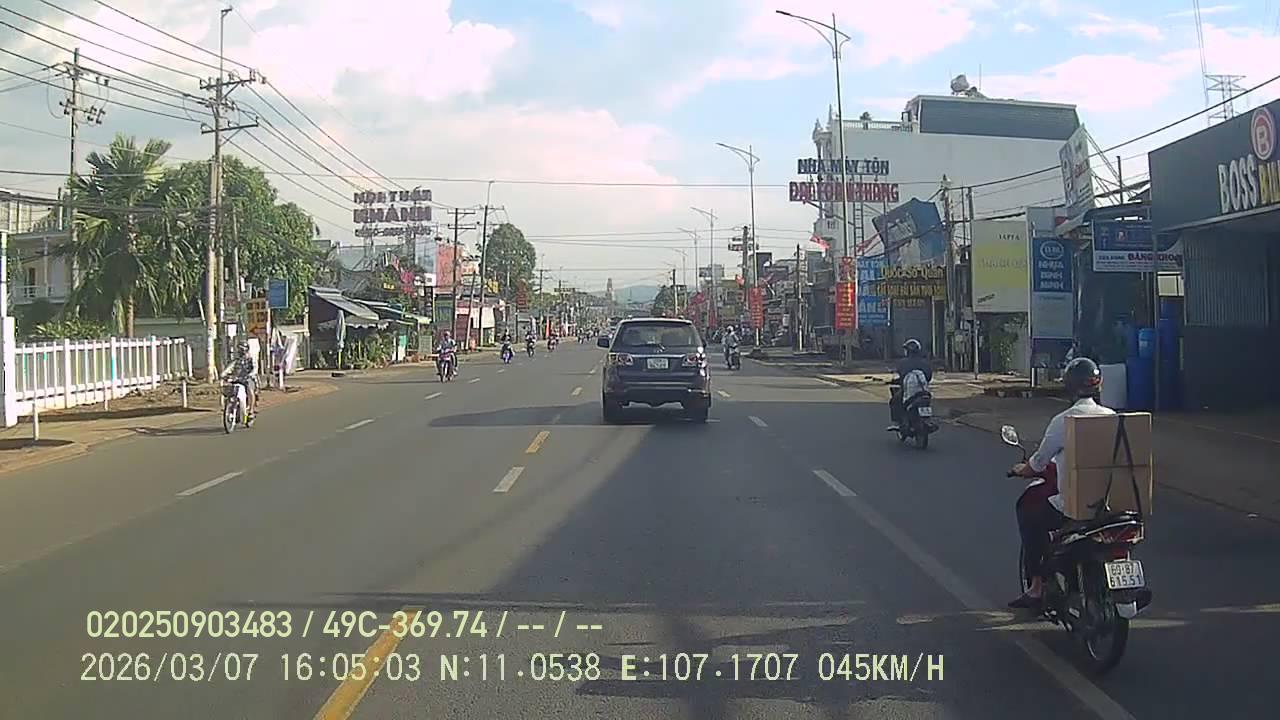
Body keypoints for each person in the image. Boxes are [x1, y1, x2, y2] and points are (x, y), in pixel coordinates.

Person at [1007, 357, 1115, 610]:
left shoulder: (1064, 421)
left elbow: (1038, 463)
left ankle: (1036, 587)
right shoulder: (1112, 417)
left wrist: (1021, 470)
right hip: (1112, 504)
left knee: (1029, 515)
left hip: (1074, 505)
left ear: (1070, 386)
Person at [887, 339, 932, 431]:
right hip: (924, 391)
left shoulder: (903, 362)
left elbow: (901, 376)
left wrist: (894, 381)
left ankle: (897, 423)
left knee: (894, 401)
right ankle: (926, 421)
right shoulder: (925, 362)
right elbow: (929, 377)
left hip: (908, 392)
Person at [222, 339, 258, 420]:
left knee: (249, 389)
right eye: (239, 349)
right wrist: (224, 374)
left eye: (242, 349)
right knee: (229, 389)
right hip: (237, 379)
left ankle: (251, 411)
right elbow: (230, 367)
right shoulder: (237, 359)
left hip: (248, 379)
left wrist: (249, 375)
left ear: (246, 349)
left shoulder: (251, 358)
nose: (240, 351)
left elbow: (254, 369)